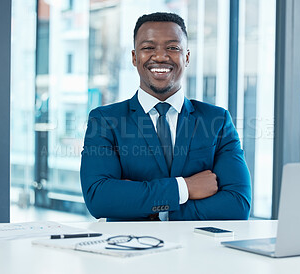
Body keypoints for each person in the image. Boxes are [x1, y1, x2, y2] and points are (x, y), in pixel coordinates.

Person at [80, 12, 251, 221]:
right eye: (148, 48)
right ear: (135, 57)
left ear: (186, 57)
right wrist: (185, 187)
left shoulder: (217, 121)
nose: (160, 56)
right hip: (131, 248)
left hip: (198, 250)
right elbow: (100, 198)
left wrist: (156, 211)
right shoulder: (105, 121)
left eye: (172, 47)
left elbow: (237, 204)